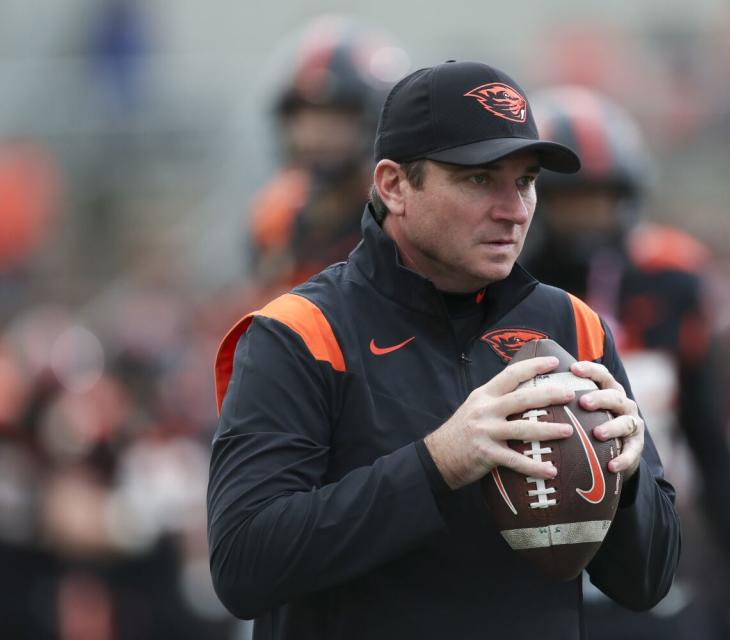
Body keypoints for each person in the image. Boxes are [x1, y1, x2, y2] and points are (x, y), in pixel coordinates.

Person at [207, 60, 681, 639]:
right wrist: (437, 464)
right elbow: (242, 567)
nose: (514, 208)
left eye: (526, 180)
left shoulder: (573, 326)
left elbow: (646, 582)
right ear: (394, 185)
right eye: (479, 178)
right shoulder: (301, 332)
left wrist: (628, 484)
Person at [521, 87, 730, 639]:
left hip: (644, 542)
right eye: (571, 200)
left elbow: (708, 431)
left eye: (601, 198)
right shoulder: (500, 292)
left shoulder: (669, 277)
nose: (588, 218)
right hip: (528, 555)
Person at [248, 16, 409, 289]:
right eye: (305, 119)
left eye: (337, 118)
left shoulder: (406, 220)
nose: (315, 136)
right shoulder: (275, 216)